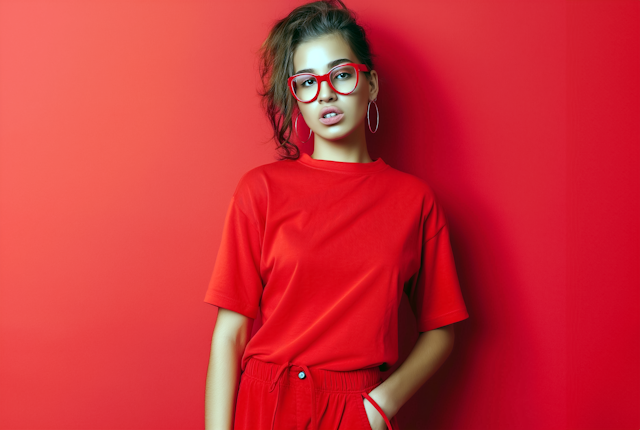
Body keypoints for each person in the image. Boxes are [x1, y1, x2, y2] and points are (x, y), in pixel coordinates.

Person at [204, 1, 469, 429]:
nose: (325, 93)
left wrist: (380, 404)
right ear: (296, 98)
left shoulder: (414, 201)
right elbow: (230, 334)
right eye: (307, 82)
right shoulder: (261, 190)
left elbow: (442, 329)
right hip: (266, 403)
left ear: (372, 83)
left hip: (356, 408)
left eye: (341, 75)